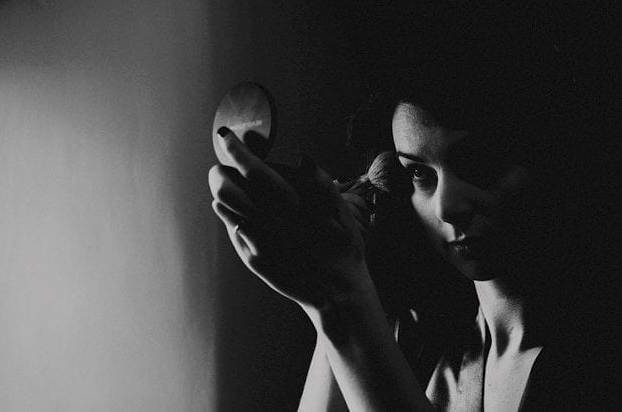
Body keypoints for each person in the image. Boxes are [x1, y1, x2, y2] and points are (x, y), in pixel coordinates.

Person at [208, 36, 615, 410]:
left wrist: (340, 301)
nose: (446, 207)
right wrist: (336, 286)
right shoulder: (420, 343)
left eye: (479, 162)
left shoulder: (600, 356)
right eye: (419, 173)